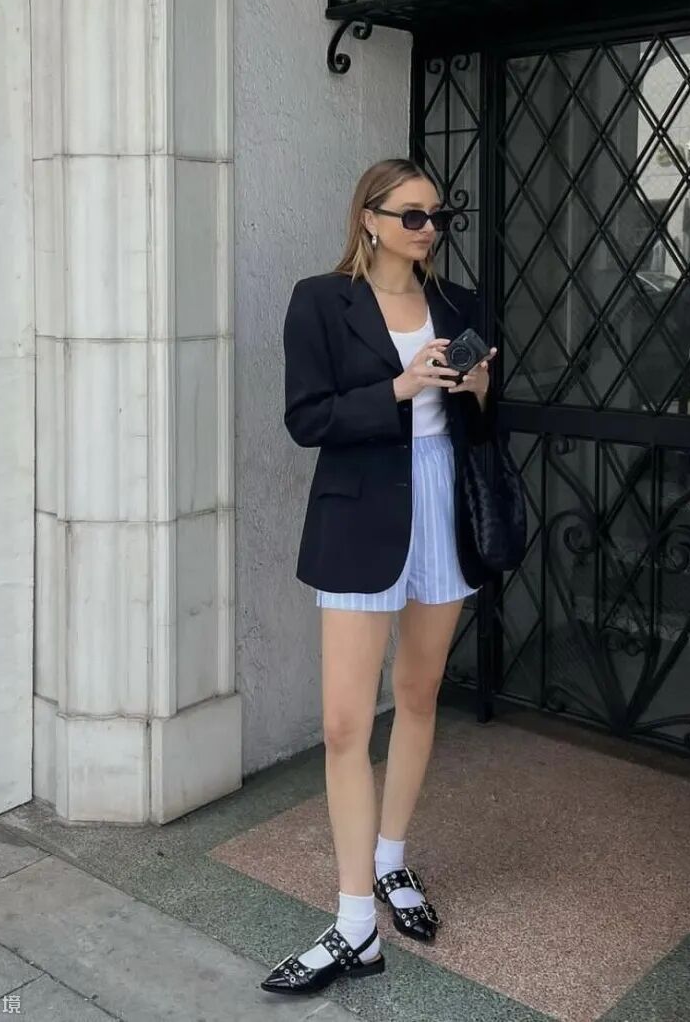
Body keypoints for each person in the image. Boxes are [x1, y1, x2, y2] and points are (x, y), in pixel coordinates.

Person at [260, 157, 499, 996]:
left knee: (421, 692)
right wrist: (398, 386)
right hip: (360, 513)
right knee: (343, 725)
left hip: (442, 503)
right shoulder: (319, 300)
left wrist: (475, 390)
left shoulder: (458, 304)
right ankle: (354, 920)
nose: (428, 229)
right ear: (368, 217)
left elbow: (482, 426)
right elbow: (306, 419)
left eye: (438, 216)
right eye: (411, 215)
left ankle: (392, 859)